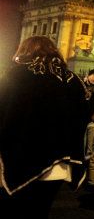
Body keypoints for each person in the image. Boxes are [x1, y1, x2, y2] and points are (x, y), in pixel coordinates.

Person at [0, 36, 88, 218]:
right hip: (58, 165)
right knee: (40, 211)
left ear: (24, 51)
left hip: (19, 161)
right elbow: (82, 117)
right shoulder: (72, 80)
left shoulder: (15, 74)